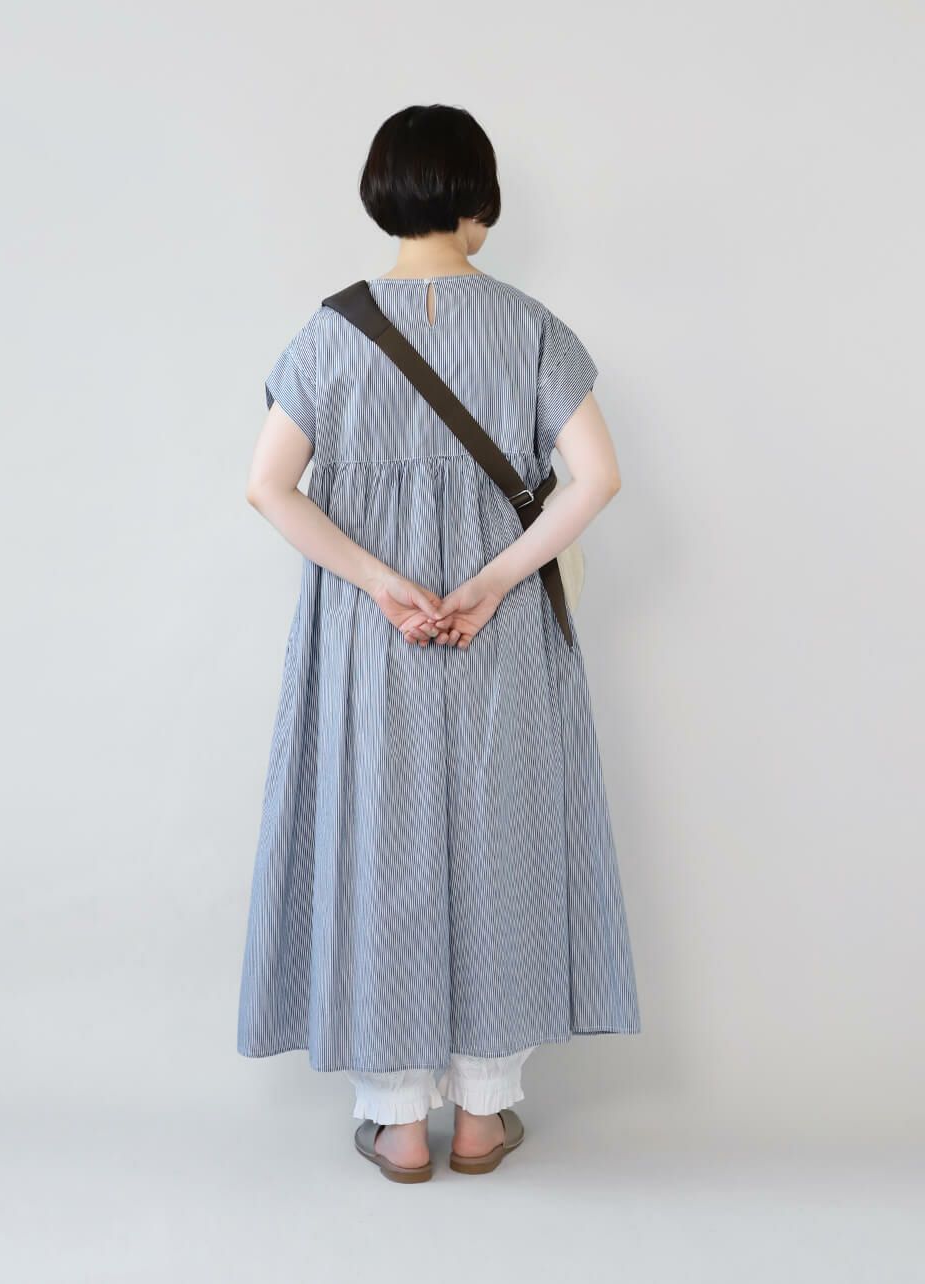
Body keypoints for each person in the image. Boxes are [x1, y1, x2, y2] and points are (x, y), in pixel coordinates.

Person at [237, 103, 640, 1183]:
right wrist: (494, 581)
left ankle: (397, 1123)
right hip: (496, 636)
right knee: (497, 846)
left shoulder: (328, 334)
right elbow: (596, 478)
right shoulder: (532, 327)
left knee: (382, 849)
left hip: (373, 643)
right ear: (477, 200)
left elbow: (268, 486)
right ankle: (482, 1118)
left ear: (384, 193)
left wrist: (380, 583)